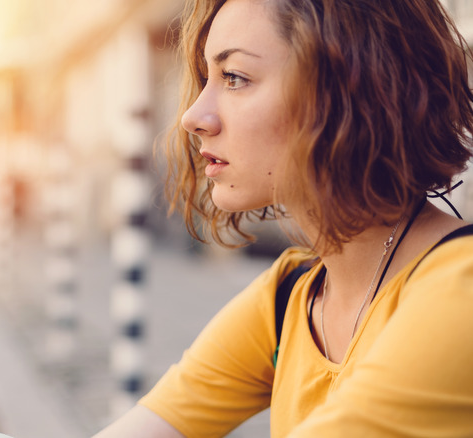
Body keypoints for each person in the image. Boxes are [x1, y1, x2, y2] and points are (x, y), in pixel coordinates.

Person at [94, 0, 473, 437]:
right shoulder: (290, 297)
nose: (193, 116)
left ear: (347, 91)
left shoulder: (458, 290)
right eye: (205, 79)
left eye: (234, 77)